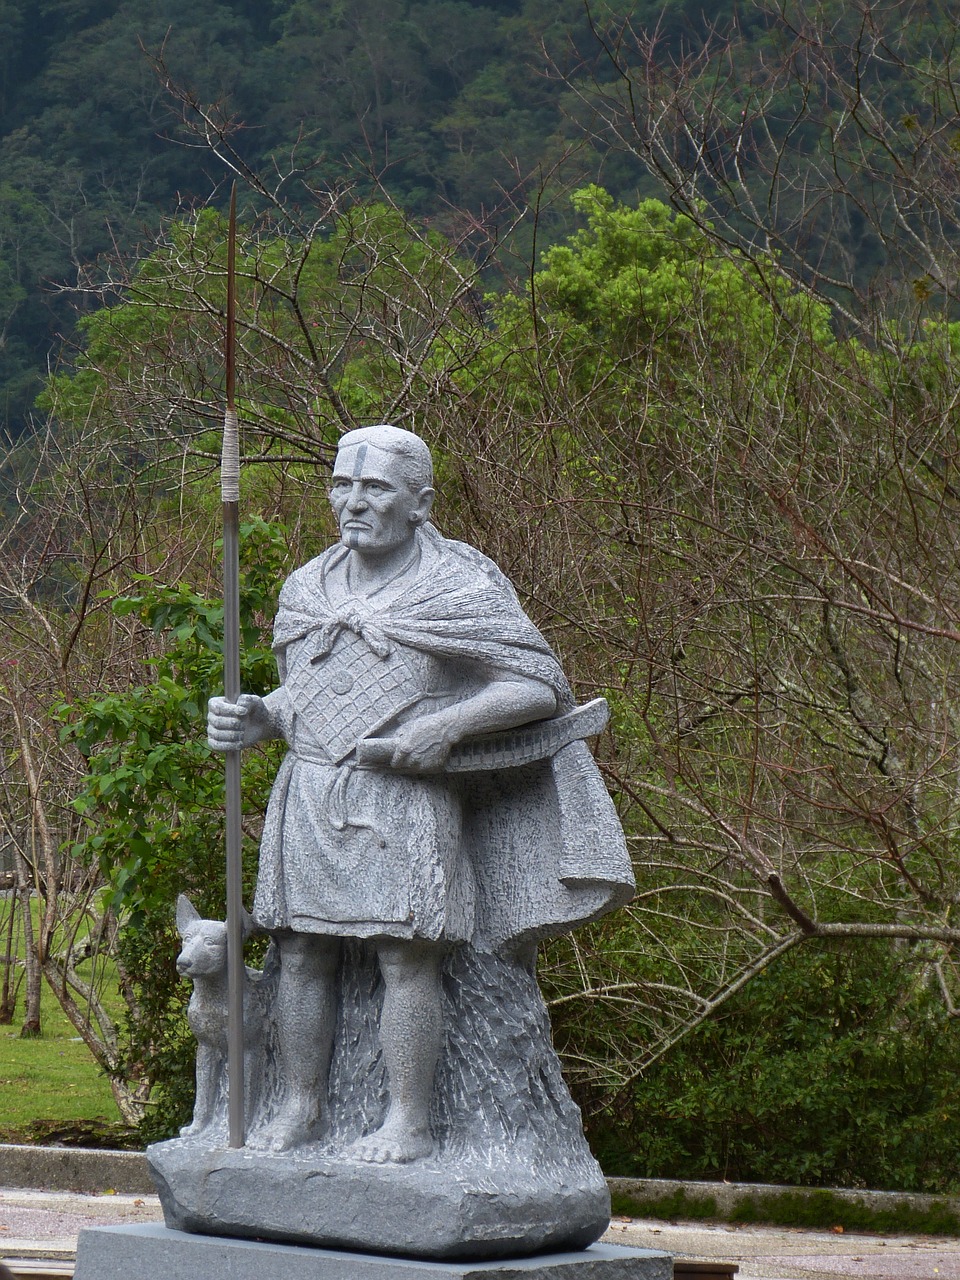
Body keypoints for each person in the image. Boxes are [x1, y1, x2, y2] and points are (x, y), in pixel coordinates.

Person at [207, 425, 633, 1161]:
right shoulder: (306, 587)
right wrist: (259, 716)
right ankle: (300, 1108)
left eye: (374, 488)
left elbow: (536, 686)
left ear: (420, 503)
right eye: (342, 484)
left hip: (404, 795)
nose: (352, 502)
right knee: (300, 951)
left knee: (407, 958)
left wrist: (449, 727)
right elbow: (304, 693)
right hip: (308, 787)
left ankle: (409, 1121)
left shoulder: (456, 585)